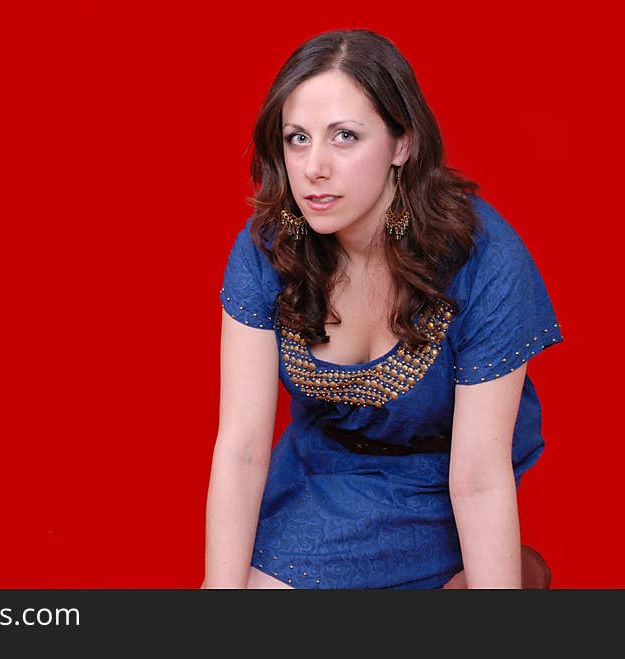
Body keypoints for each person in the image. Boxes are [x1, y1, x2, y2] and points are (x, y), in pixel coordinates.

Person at [203, 29, 563, 589]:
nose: (313, 167)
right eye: (297, 139)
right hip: (324, 475)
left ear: (403, 143)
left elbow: (479, 478)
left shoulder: (485, 256)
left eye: (344, 136)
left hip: (443, 481)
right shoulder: (266, 250)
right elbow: (243, 446)